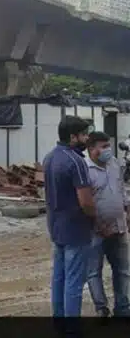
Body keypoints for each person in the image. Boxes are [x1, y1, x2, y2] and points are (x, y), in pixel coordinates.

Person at [43, 115, 95, 331]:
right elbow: (85, 201)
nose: (87, 138)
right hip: (75, 228)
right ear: (73, 137)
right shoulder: (77, 161)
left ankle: (60, 321)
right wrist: (95, 218)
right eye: (84, 134)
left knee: (59, 278)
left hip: (56, 226)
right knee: (74, 281)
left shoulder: (50, 157)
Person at [84, 131, 130, 317]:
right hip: (95, 230)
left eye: (108, 146)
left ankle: (123, 307)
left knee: (123, 269)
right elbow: (85, 202)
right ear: (91, 149)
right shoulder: (84, 169)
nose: (107, 150)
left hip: (119, 226)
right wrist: (98, 224)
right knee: (94, 271)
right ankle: (101, 308)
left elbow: (122, 189)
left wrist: (128, 212)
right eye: (103, 147)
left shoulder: (115, 164)